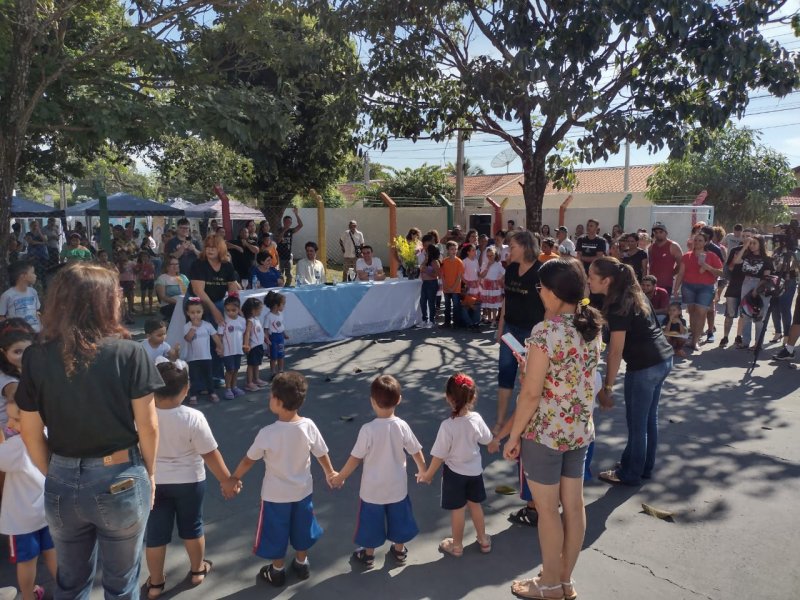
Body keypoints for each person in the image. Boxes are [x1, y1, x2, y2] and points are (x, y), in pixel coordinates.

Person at [16, 262, 163, 599]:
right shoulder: (130, 353)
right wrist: (151, 473)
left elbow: (29, 431)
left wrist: (54, 469)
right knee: (121, 584)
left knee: (71, 583)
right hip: (121, 475)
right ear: (103, 300)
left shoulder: (36, 357)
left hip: (62, 478)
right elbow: (148, 425)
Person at [503, 258, 603, 600]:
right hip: (578, 429)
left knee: (547, 512)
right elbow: (571, 374)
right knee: (574, 506)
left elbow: (531, 393)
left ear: (553, 291)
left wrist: (513, 435)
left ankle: (548, 586)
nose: (539, 293)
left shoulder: (545, 332)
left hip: (546, 432)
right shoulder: (591, 325)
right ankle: (563, 580)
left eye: (541, 287)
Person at [221, 372, 338, 587]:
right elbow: (321, 453)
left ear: (278, 401)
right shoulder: (308, 426)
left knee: (276, 531)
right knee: (302, 527)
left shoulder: (268, 433)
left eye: (271, 396)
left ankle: (277, 570)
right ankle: (302, 564)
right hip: (302, 492)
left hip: (275, 496)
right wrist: (330, 472)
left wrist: (234, 477)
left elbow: (249, 460)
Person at [144, 359, 237, 600]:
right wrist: (227, 480)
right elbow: (210, 453)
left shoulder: (143, 416)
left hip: (154, 483)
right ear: (186, 390)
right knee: (193, 526)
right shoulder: (193, 417)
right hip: (190, 481)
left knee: (155, 534)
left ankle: (155, 583)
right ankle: (197, 570)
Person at [589, 257, 673, 486]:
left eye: (592, 277)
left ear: (607, 280)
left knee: (638, 424)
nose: (588, 281)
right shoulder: (634, 292)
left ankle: (630, 473)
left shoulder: (618, 305)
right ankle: (641, 466)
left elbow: (615, 351)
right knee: (648, 420)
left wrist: (607, 387)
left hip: (645, 367)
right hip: (663, 359)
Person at [329, 375, 426, 567]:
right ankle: (399, 551)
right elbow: (416, 451)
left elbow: (355, 459)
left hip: (372, 490)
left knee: (370, 523)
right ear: (399, 400)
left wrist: (340, 477)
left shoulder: (368, 430)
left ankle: (368, 555)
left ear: (372, 401)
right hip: (397, 487)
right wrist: (423, 471)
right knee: (400, 519)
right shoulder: (402, 426)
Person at [417, 373, 492, 557]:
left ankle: (457, 546)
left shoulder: (447, 426)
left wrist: (427, 475)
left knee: (458, 510)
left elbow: (439, 455)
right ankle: (483, 539)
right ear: (473, 397)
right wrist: (494, 442)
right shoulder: (476, 419)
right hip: (474, 472)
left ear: (449, 398)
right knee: (475, 505)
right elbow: (487, 439)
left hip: (454, 474)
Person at [0, 401, 58, 600]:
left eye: (16, 419)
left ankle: (27, 595)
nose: (9, 424)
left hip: (21, 519)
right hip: (46, 511)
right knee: (53, 552)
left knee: (26, 561)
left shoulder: (16, 446)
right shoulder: (50, 434)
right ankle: (67, 590)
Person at [495, 230, 545, 433]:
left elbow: (548, 305)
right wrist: (500, 328)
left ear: (525, 247)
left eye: (512, 247)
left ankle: (523, 423)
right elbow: (506, 299)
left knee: (529, 379)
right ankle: (500, 422)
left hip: (531, 334)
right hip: (510, 330)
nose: (508, 251)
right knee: (505, 374)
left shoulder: (542, 272)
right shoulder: (511, 269)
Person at [188, 234, 239, 383]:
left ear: (221, 248)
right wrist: (216, 311)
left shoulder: (227, 265)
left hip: (218, 300)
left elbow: (232, 288)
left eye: (214, 247)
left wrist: (235, 306)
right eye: (208, 247)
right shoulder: (198, 264)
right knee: (203, 339)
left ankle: (217, 374)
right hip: (198, 303)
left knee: (219, 338)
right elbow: (199, 291)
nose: (210, 250)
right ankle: (201, 378)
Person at [672, 231, 723, 350]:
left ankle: (695, 341)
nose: (697, 242)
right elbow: (681, 273)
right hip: (688, 286)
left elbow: (721, 272)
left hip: (705, 287)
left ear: (706, 242)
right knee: (692, 312)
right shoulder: (687, 256)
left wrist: (706, 266)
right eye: (695, 240)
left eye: (700, 240)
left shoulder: (712, 256)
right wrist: (676, 288)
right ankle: (693, 337)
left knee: (701, 313)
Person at [732, 234, 773, 350]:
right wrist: (744, 247)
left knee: (759, 316)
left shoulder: (767, 259)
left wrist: (756, 290)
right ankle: (746, 341)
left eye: (754, 243)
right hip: (746, 283)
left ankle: (758, 343)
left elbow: (766, 277)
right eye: (751, 243)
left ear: (761, 244)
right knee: (746, 314)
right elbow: (736, 261)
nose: (752, 246)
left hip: (760, 285)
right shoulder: (746, 256)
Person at [183, 297, 223, 405]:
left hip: (206, 357)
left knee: (208, 376)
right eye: (192, 312)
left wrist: (220, 346)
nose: (195, 315)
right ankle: (193, 395)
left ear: (202, 312)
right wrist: (194, 327)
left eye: (198, 312)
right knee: (194, 378)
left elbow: (215, 337)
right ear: (187, 313)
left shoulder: (207, 325)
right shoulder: (187, 326)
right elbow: (188, 338)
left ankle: (212, 392)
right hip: (193, 358)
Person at [719, 229, 752, 348]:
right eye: (744, 236)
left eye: (748, 236)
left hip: (748, 289)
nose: (746, 238)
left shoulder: (755, 252)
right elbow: (730, 268)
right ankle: (725, 336)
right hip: (734, 286)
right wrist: (737, 257)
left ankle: (739, 336)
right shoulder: (735, 250)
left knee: (744, 315)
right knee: (729, 314)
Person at [769, 235, 798, 344]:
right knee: (774, 306)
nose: (782, 241)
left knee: (785, 307)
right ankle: (778, 332)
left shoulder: (795, 251)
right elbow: (773, 264)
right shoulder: (777, 250)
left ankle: (787, 335)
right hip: (776, 278)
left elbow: (793, 266)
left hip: (789, 279)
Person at [218, 295, 247, 400]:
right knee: (230, 370)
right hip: (227, 351)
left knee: (236, 369)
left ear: (238, 309)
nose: (230, 312)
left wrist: (245, 344)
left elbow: (244, 334)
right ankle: (228, 389)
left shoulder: (242, 321)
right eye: (228, 310)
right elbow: (220, 336)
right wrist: (220, 348)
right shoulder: (223, 321)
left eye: (233, 310)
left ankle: (234, 387)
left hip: (238, 350)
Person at [0, 261, 41, 332]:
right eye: (33, 273)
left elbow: (36, 312)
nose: (35, 275)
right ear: (23, 276)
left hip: (36, 331)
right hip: (19, 334)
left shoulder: (33, 292)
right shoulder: (7, 295)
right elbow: (1, 317)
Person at [647, 222, 682, 295]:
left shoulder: (673, 246)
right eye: (656, 232)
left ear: (666, 233)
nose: (658, 234)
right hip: (652, 284)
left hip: (666, 284)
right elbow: (650, 264)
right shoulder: (651, 247)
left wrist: (671, 274)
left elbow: (681, 264)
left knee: (664, 305)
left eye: (661, 232)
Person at [242, 297, 269, 391]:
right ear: (253, 310)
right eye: (259, 309)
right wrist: (246, 344)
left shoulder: (256, 319)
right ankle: (249, 382)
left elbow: (260, 331)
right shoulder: (250, 320)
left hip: (259, 345)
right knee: (251, 364)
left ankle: (256, 379)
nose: (261, 311)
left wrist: (265, 338)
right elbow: (247, 333)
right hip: (253, 346)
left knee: (256, 364)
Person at [276, 208, 304, 286]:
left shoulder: (291, 231)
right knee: (280, 275)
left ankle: (287, 287)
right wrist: (285, 230)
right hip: (280, 257)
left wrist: (296, 214)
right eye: (287, 222)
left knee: (289, 275)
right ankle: (280, 287)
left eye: (290, 222)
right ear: (284, 222)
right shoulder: (279, 230)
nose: (289, 223)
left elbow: (301, 225)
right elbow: (278, 240)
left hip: (288, 256)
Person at [264, 291, 289, 378]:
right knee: (273, 356)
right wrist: (267, 339)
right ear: (275, 305)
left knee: (281, 354)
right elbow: (266, 329)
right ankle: (273, 372)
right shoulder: (268, 316)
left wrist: (284, 334)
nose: (284, 306)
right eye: (282, 304)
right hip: (273, 338)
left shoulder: (280, 314)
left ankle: (281, 370)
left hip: (280, 337)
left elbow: (281, 326)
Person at [479, 246, 505, 324]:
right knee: (488, 303)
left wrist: (500, 279)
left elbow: (504, 272)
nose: (490, 257)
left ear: (495, 255)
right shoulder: (484, 264)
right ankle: (489, 318)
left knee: (494, 304)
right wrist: (487, 267)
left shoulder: (498, 264)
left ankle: (494, 319)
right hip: (487, 285)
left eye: (492, 255)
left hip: (495, 286)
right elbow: (482, 275)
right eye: (488, 256)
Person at [440, 241, 463, 328]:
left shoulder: (459, 262)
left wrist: (453, 287)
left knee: (456, 306)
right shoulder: (444, 261)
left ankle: (456, 323)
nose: (454, 251)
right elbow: (442, 275)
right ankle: (447, 322)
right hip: (446, 289)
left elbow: (459, 276)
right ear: (448, 250)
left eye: (455, 249)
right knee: (447, 306)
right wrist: (446, 286)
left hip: (455, 289)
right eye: (452, 249)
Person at [419, 245, 441, 329]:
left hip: (432, 283)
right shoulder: (427, 261)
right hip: (424, 283)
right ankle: (424, 319)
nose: (425, 253)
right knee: (423, 302)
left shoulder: (435, 262)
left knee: (431, 302)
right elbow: (421, 267)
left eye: (427, 251)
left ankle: (432, 320)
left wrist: (426, 271)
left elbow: (437, 274)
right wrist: (425, 260)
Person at [116, 250, 137, 325]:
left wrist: (134, 281)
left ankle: (130, 310)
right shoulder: (119, 264)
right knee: (122, 298)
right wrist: (121, 264)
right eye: (120, 255)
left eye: (124, 254)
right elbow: (120, 272)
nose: (122, 256)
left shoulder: (132, 263)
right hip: (122, 282)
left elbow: (135, 272)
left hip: (130, 281)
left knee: (130, 297)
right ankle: (125, 314)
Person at [136, 250, 157, 314]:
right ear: (141, 258)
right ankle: (143, 309)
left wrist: (154, 276)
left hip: (150, 280)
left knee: (150, 295)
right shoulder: (139, 264)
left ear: (148, 257)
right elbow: (138, 272)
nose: (145, 258)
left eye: (146, 256)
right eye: (143, 257)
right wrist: (142, 265)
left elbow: (153, 271)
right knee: (143, 295)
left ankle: (150, 309)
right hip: (143, 280)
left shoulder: (151, 263)